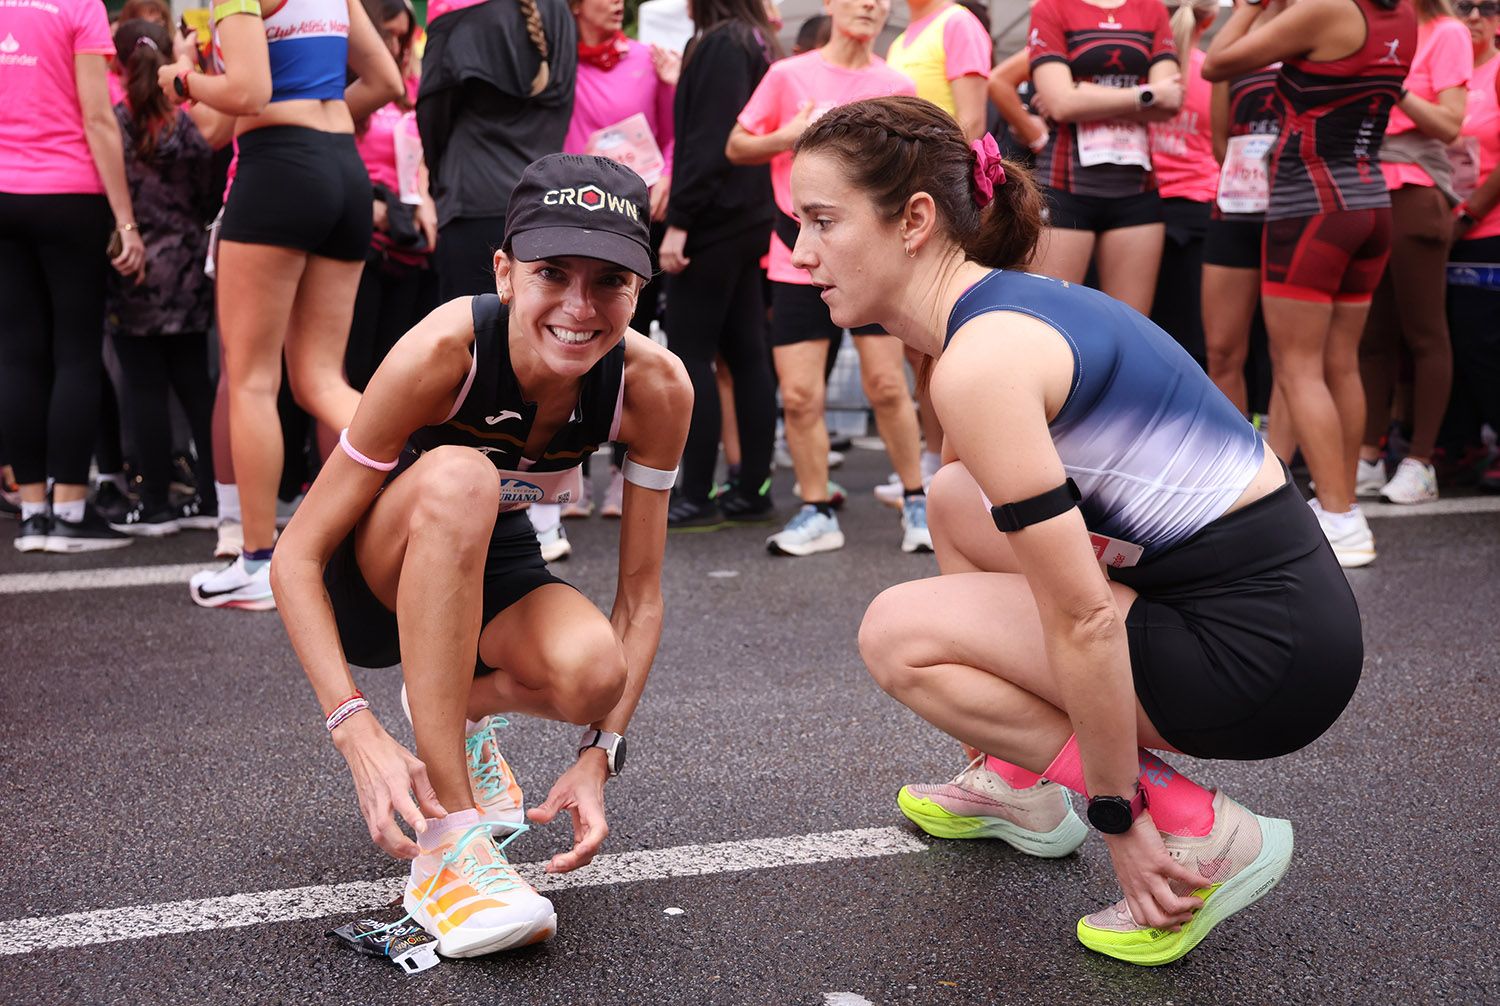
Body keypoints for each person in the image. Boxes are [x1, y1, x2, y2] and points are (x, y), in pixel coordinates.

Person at [791, 94, 1361, 965]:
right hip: (1272, 613)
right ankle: (1018, 784)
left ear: (913, 220)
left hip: (1263, 657)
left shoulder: (981, 364)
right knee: (952, 498)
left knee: (899, 634)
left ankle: (1197, 829)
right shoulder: (1001, 311)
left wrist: (1118, 813)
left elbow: (1084, 616)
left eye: (823, 222)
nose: (802, 253)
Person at [270, 154, 691, 957]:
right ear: (503, 272)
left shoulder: (656, 387)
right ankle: (448, 847)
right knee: (464, 475)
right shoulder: (443, 351)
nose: (579, 306)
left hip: (488, 549)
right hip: (372, 575)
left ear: (639, 291)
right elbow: (294, 555)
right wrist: (353, 727)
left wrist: (599, 756)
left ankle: (455, 711)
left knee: (593, 676)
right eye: (552, 273)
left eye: (610, 281)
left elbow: (640, 596)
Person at [155, 0, 403, 607]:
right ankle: (432, 485)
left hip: (279, 171)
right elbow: (388, 82)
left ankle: (259, 562)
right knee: (320, 379)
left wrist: (179, 77)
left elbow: (247, 91)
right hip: (342, 168)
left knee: (251, 380)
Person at [1204, 0, 1416, 568]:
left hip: (1313, 204)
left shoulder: (1325, 9)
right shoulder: (1404, 15)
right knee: (1339, 361)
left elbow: (1215, 63)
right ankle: (1341, 507)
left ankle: (1340, 516)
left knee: (1297, 365)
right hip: (1370, 198)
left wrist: (1249, 8)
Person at [726, 0, 931, 557]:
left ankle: (919, 502)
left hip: (873, 260)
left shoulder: (895, 83)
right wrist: (790, 134)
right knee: (798, 395)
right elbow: (737, 145)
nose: (871, 5)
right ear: (830, 5)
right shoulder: (787, 75)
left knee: (888, 387)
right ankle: (816, 509)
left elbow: (919, 168)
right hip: (797, 253)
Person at [1, 0, 147, 555]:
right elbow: (97, 116)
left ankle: (33, 513)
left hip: (4, 194)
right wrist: (126, 222)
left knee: (17, 354)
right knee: (77, 353)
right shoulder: (77, 5)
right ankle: (70, 512)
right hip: (67, 193)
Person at [660, 0, 783, 529]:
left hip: (713, 220)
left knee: (692, 355)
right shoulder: (752, 40)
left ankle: (697, 492)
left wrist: (681, 220)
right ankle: (751, 488)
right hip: (749, 217)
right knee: (746, 353)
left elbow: (709, 144)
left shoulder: (723, 45)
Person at [559, 0, 680, 523]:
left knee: (632, 341)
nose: (616, 4)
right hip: (570, 216)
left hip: (638, 218)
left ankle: (620, 472)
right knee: (567, 337)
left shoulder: (649, 59)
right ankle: (566, 473)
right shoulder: (554, 63)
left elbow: (675, 129)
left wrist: (670, 175)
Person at [105, 19, 220, 536]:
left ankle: (152, 503)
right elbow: (208, 192)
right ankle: (214, 495)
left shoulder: (117, 123)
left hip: (138, 267)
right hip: (190, 263)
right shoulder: (190, 122)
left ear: (119, 61)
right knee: (197, 384)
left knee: (144, 386)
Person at [1356, 0, 1471, 504]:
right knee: (1371, 337)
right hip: (1365, 190)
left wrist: (1393, 87)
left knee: (1425, 333)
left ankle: (1421, 460)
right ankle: (1366, 455)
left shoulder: (1447, 31)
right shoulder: (1367, 24)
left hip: (1415, 191)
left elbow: (1450, 124)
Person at [1025, 0, 1183, 315]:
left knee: (1131, 326)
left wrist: (1083, 92)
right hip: (1065, 191)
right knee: (1050, 321)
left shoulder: (1151, 9)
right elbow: (1061, 103)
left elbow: (1172, 99)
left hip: (1136, 194)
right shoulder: (1052, 7)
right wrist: (1144, 95)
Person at [417, 0, 578, 301]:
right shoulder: (560, 13)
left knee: (468, 336)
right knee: (530, 339)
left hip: (472, 201)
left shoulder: (454, 14)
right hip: (544, 203)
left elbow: (432, 119)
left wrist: (437, 183)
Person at [346, 0, 438, 397]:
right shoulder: (353, 87)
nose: (400, 44)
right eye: (391, 33)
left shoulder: (412, 88)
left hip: (409, 244)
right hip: (362, 238)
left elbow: (426, 152)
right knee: (355, 365)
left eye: (407, 35)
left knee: (396, 368)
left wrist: (424, 199)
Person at [1202, 42, 1283, 423]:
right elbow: (1220, 145)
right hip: (1235, 208)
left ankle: (1283, 462)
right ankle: (1239, 462)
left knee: (1289, 354)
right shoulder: (1232, 49)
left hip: (1293, 211)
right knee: (1221, 350)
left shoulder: (1316, 28)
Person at [1441, 0, 1500, 492]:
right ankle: (1458, 442)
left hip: (1486, 227)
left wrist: (1469, 213)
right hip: (1435, 225)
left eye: (1489, 7)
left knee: (1483, 341)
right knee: (1443, 339)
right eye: (1465, 7)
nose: (1476, 16)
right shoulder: (1446, 69)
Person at [1147, 0, 1219, 367]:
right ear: (1213, 16)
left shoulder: (1140, 71)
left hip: (1143, 208)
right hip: (1199, 208)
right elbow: (1224, 146)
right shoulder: (1215, 71)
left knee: (1147, 332)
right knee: (1195, 336)